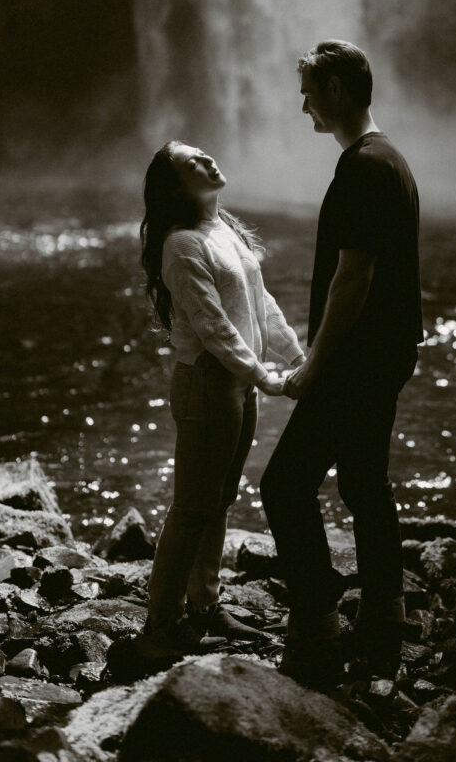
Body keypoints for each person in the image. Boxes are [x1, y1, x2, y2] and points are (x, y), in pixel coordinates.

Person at [260, 40, 423, 689]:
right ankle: (385, 619)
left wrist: (311, 368)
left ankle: (317, 624)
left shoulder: (362, 168)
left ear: (333, 89)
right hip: (387, 353)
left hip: (355, 362)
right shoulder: (393, 161)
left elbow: (352, 279)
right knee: (362, 484)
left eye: (308, 93)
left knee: (284, 484)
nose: (303, 107)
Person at [137, 140, 305, 660]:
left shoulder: (224, 231)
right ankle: (162, 625)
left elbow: (261, 303)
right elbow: (214, 329)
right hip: (209, 384)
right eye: (193, 163)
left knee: (219, 502)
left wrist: (298, 356)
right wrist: (269, 378)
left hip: (235, 384)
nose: (209, 160)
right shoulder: (182, 244)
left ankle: (205, 608)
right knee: (191, 508)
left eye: (205, 155)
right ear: (176, 187)